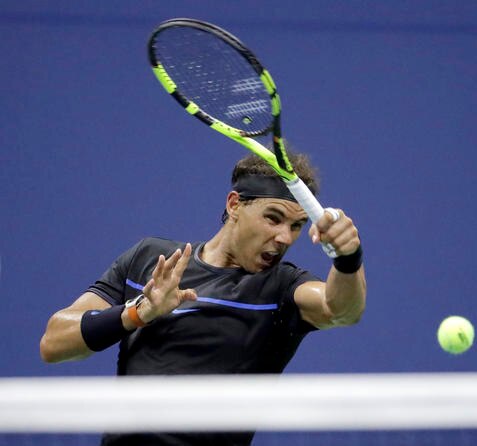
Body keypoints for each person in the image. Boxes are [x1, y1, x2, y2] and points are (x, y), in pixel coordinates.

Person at [40, 151, 367, 446]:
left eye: (297, 226)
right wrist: (138, 313)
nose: (284, 238)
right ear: (234, 205)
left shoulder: (281, 287)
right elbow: (54, 343)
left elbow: (339, 309)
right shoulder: (151, 260)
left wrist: (347, 256)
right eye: (273, 218)